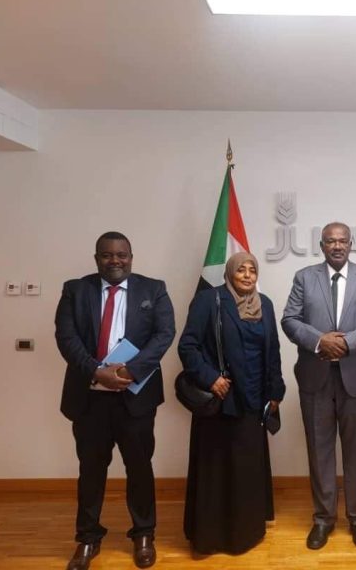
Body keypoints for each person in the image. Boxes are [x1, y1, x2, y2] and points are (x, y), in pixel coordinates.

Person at [55, 231, 175, 570]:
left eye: (121, 254)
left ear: (131, 258)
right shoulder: (75, 290)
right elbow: (66, 337)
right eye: (107, 255)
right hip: (89, 398)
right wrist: (97, 371)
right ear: (96, 259)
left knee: (139, 467)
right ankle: (87, 538)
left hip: (135, 397)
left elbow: (164, 334)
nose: (115, 260)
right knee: (91, 470)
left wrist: (131, 371)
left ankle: (144, 534)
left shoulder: (154, 289)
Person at [281, 222, 356, 550]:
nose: (337, 246)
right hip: (315, 378)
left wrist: (347, 342)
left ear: (351, 244)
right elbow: (290, 319)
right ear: (322, 245)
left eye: (343, 241)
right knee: (320, 451)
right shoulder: (304, 277)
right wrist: (320, 341)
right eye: (331, 241)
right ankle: (323, 519)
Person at [178, 252, 286, 555]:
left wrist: (275, 392)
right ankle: (211, 537)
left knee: (246, 470)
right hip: (221, 400)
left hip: (254, 400)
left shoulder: (265, 304)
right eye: (241, 270)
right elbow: (187, 346)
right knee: (216, 470)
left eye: (253, 270)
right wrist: (211, 378)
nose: (248, 275)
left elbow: (273, 350)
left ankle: (246, 533)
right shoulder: (208, 300)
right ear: (229, 273)